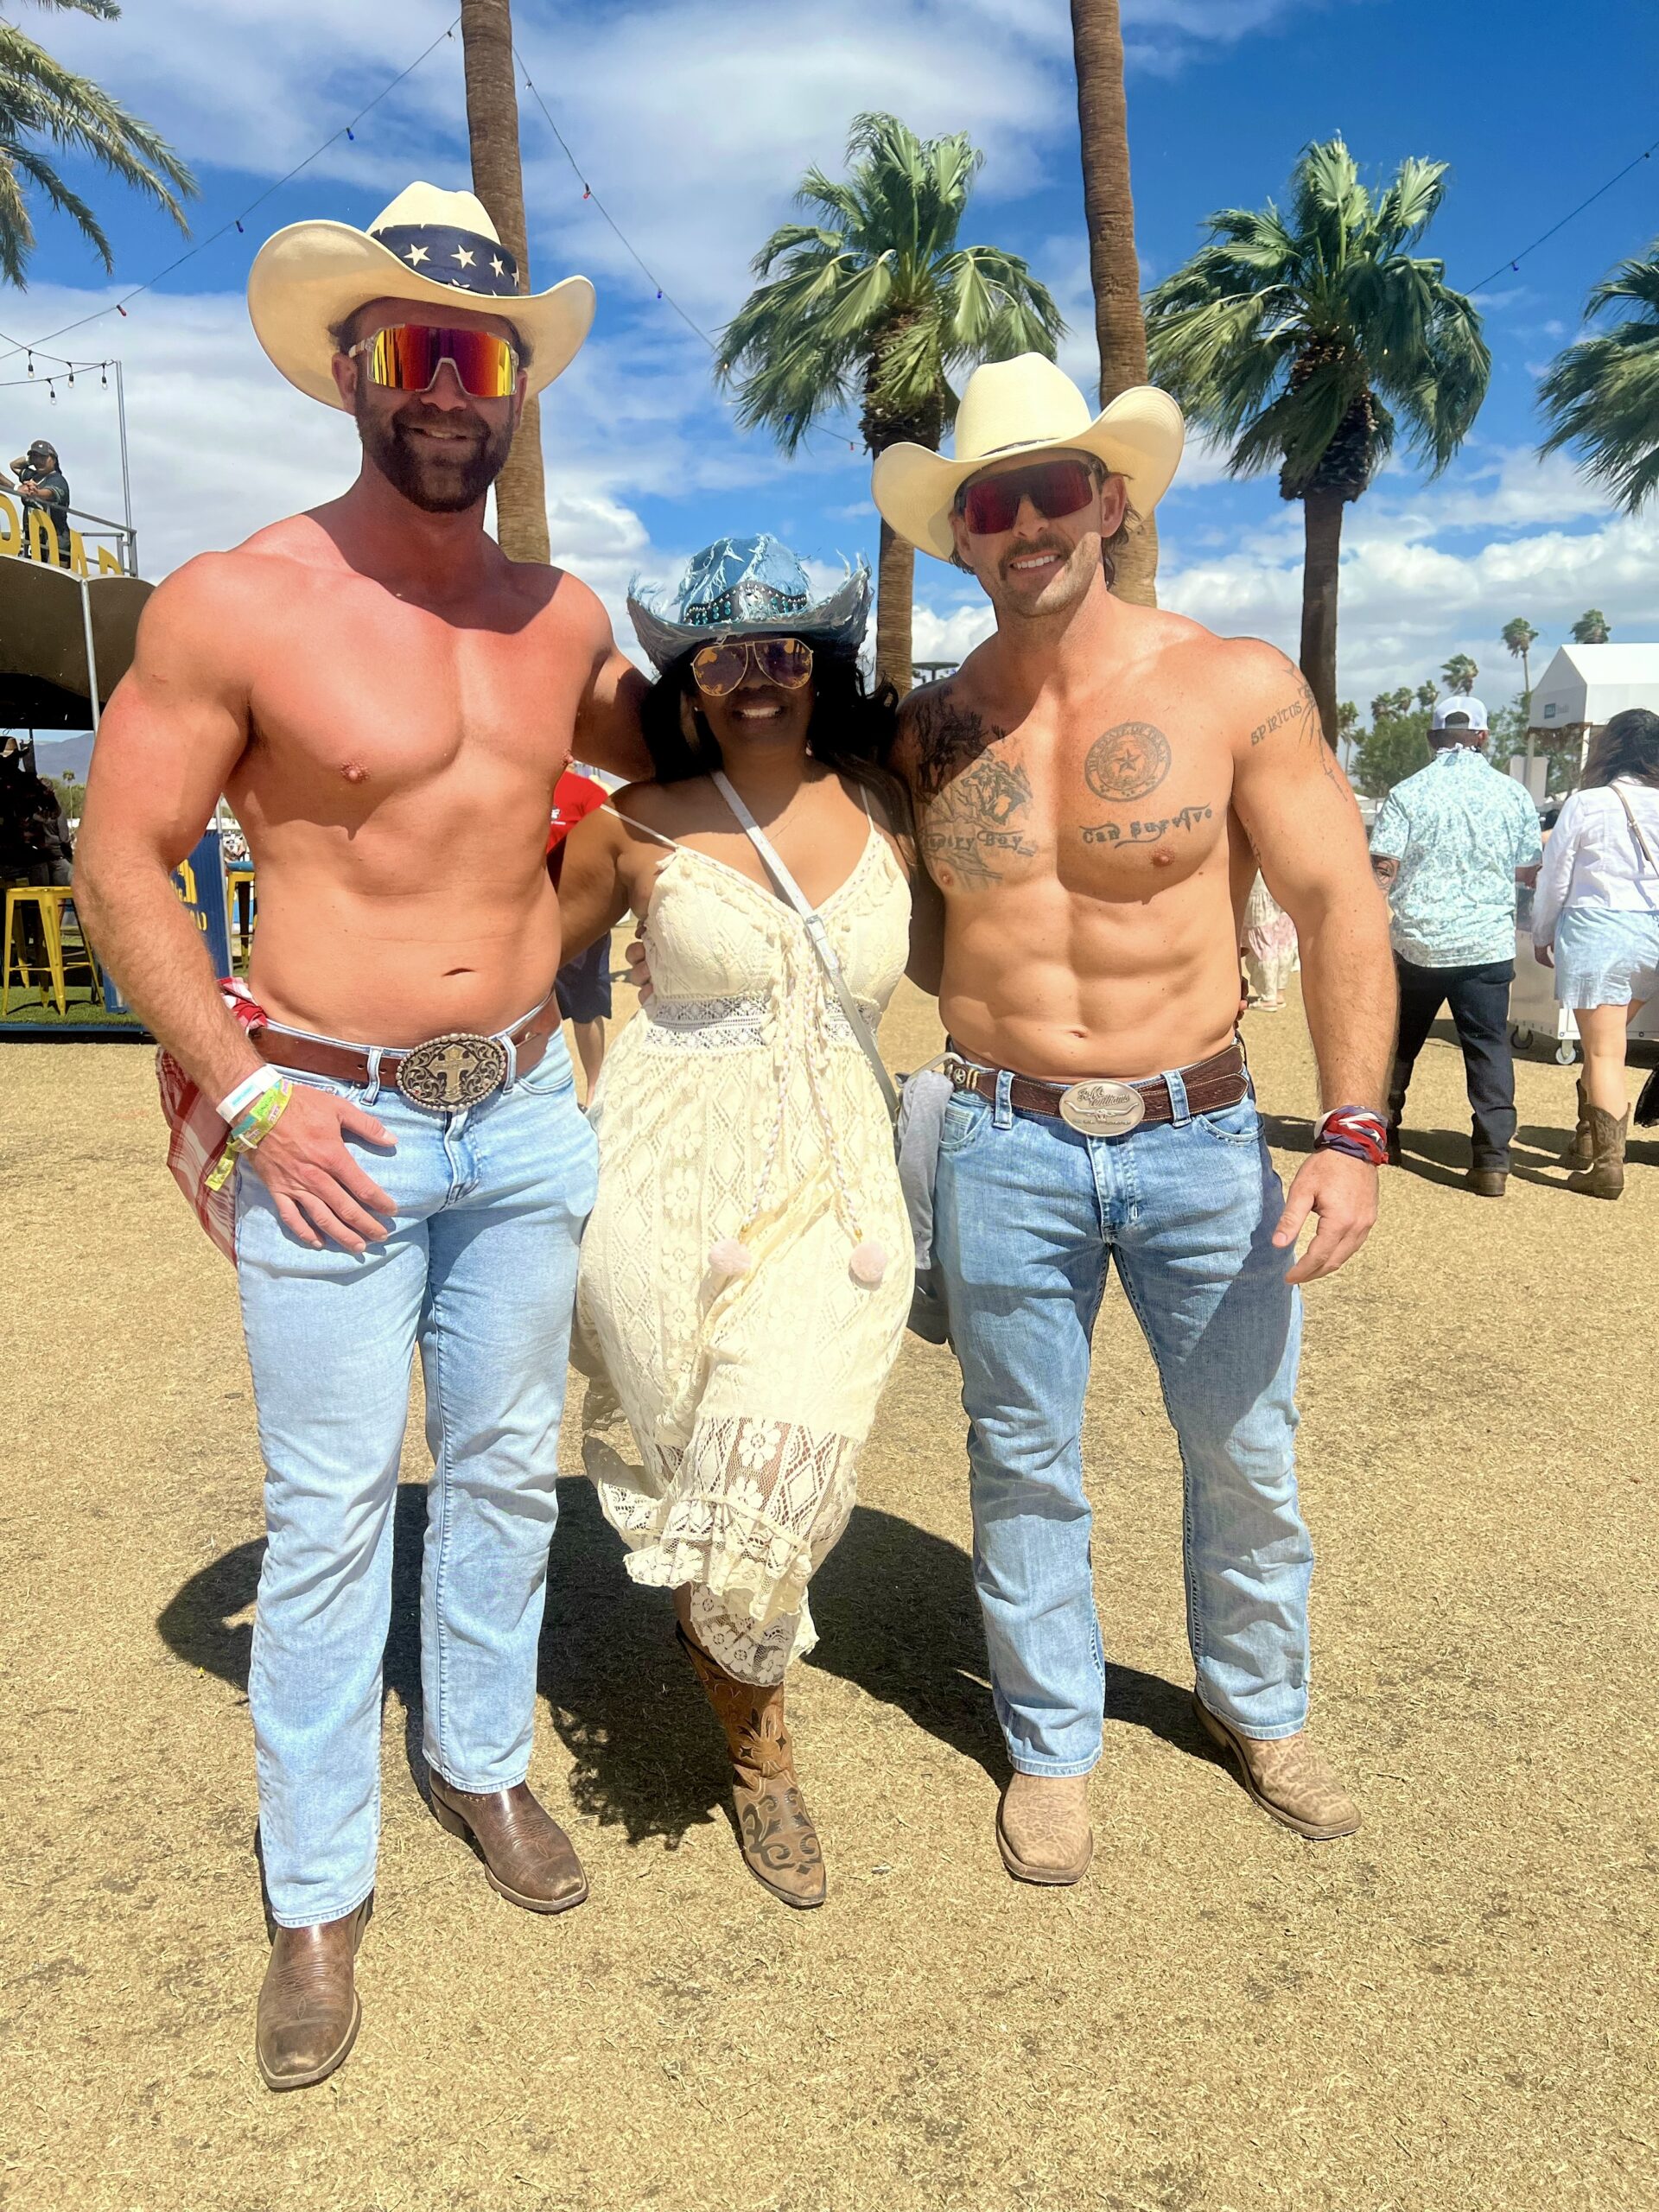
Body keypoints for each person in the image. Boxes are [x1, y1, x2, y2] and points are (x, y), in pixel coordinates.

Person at [73, 181, 649, 2092]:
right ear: (349, 369)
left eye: (478, 356)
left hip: (525, 1115)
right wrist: (243, 1092)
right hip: (333, 1120)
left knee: (499, 1470)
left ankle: (481, 1760)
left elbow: (711, 750)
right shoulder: (240, 599)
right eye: (411, 350)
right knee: (328, 1513)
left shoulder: (560, 617)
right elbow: (121, 853)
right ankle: (316, 1889)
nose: (445, 390)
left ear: (513, 387)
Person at [870, 353, 1395, 1885]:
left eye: (1052, 488)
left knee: (1243, 1447)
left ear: (1108, 500)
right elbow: (907, 931)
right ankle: (1050, 1743)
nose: (1025, 522)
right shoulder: (928, 729)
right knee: (1020, 1456)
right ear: (960, 535)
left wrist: (1352, 1132)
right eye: (991, 503)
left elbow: (1336, 901)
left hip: (1197, 1132)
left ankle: (1259, 1707)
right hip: (1001, 1137)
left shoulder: (1232, 684)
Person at [556, 536, 912, 1909]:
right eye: (723, 658)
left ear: (820, 667)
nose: (756, 678)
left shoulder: (884, 807)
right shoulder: (631, 822)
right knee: (688, 1466)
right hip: (656, 1188)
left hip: (841, 1197)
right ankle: (760, 1749)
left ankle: (739, 1676)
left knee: (772, 1471)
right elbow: (524, 964)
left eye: (782, 651)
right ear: (689, 681)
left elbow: (989, 951)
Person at [1368, 696, 1542, 1197]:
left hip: (1418, 943)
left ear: (1432, 738)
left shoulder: (1408, 792)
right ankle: (1491, 1160)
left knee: (1399, 1045)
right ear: (1483, 737)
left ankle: (1384, 1136)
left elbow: (1384, 868)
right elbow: (1527, 867)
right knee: (1488, 1048)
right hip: (1486, 943)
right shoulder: (1512, 794)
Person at [1529, 706, 1659, 1200]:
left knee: (1604, 1051)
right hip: (1651, 934)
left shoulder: (1588, 803)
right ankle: (1586, 1138)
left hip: (1597, 931)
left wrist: (1542, 931)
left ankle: (1607, 1165)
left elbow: (1555, 876)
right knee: (1606, 1042)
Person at [545, 763, 614, 1099]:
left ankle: (594, 1091)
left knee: (587, 1011)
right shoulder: (523, 787)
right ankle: (553, 1096)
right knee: (538, 1017)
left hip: (583, 923)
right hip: (531, 924)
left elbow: (608, 854)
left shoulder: (588, 794)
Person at [3, 439, 71, 563]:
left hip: (55, 541)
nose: (39, 461)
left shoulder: (58, 480)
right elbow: (14, 465)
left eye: (43, 457)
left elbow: (49, 493)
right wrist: (30, 459)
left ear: (54, 459)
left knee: (52, 571)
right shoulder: (33, 476)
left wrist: (36, 492)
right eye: (36, 457)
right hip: (34, 539)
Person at [1242, 872, 1298, 1009]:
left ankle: (1268, 996)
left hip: (1260, 885)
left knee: (1263, 940)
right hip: (1282, 879)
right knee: (1281, 939)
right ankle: (1278, 993)